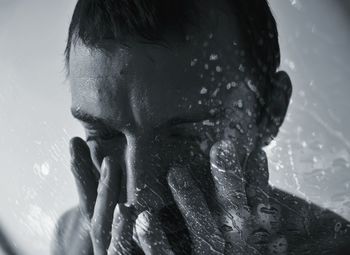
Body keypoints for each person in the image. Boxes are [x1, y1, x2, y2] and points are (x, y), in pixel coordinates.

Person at [51, 0, 350, 254]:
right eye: (102, 135)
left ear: (270, 112)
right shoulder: (71, 238)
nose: (140, 198)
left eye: (184, 137)